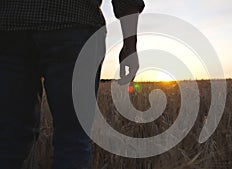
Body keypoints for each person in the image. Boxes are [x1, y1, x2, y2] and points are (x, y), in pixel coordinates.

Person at [0, 0, 144, 168]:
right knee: (72, 140)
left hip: (10, 26)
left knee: (9, 139)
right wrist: (130, 46)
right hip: (74, 23)